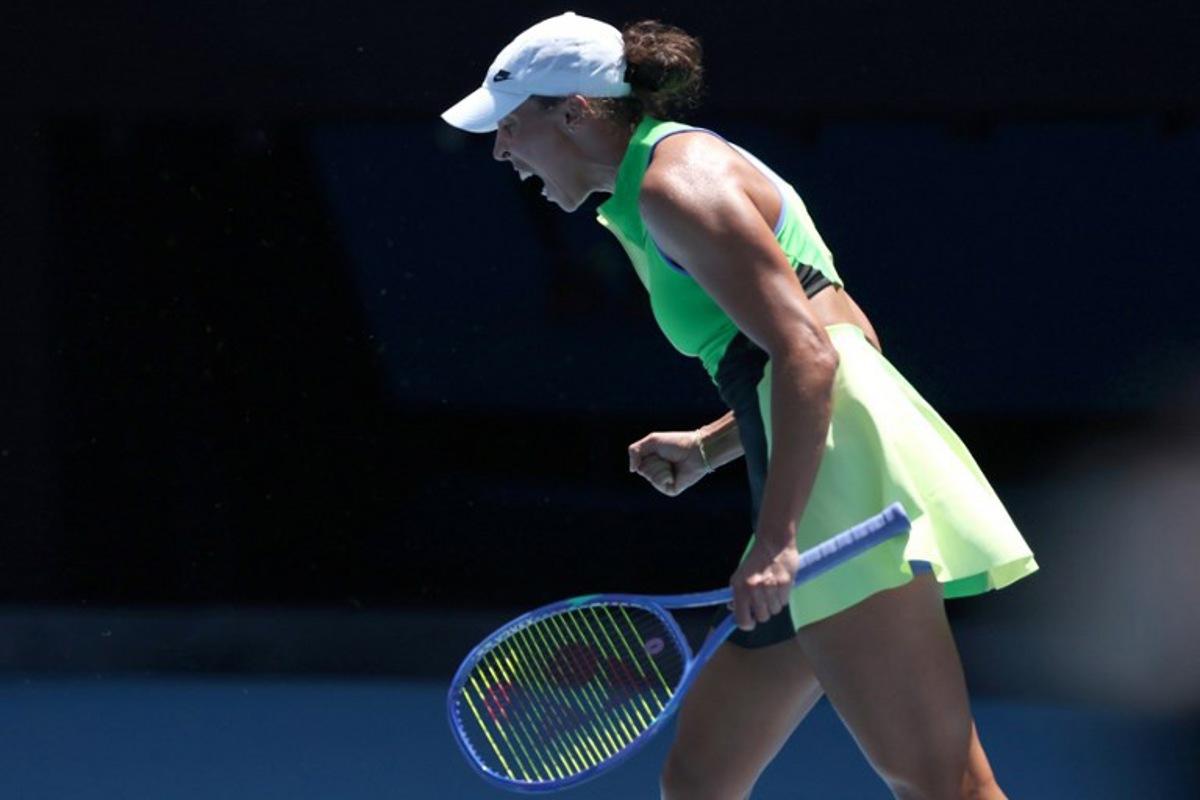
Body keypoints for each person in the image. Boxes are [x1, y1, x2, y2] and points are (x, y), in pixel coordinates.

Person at [441, 12, 1038, 800]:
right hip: (820, 453)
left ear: (574, 111)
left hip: (833, 479)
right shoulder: (662, 180)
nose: (500, 149)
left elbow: (812, 352)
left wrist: (781, 538)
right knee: (700, 781)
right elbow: (846, 329)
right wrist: (713, 445)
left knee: (943, 785)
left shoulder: (674, 185)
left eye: (512, 126)